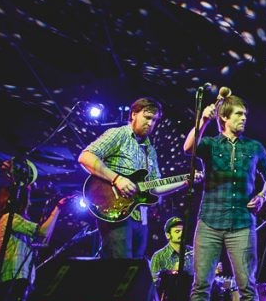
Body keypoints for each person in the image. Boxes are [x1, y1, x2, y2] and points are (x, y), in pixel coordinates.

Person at [182, 94, 266, 301]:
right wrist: (203, 120)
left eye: (245, 115)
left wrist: (262, 195)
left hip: (242, 223)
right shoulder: (210, 144)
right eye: (238, 114)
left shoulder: (254, 147)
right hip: (209, 221)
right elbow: (188, 148)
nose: (244, 119)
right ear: (224, 117)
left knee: (247, 286)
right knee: (201, 284)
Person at [78, 96, 191, 260]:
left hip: (139, 217)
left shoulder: (150, 150)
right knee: (120, 266)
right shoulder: (118, 134)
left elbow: (154, 187)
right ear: (133, 114)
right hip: (114, 211)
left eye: (154, 120)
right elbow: (85, 157)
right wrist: (117, 178)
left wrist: (185, 181)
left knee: (134, 268)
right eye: (147, 117)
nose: (151, 123)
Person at [0, 182, 65, 301]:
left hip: (17, 277)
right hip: (15, 277)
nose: (30, 203)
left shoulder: (12, 221)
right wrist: (58, 209)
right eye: (28, 200)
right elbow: (42, 232)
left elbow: (43, 240)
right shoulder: (10, 218)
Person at [148, 216, 194, 282]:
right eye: (177, 231)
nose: (181, 234)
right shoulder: (158, 256)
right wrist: (170, 272)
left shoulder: (194, 252)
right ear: (168, 235)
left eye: (183, 231)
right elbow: (153, 283)